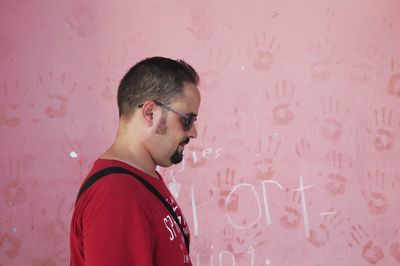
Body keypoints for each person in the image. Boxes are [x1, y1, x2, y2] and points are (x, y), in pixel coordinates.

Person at [70, 56, 200, 266]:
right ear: (150, 112)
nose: (193, 132)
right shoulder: (116, 196)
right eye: (188, 120)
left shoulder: (139, 180)